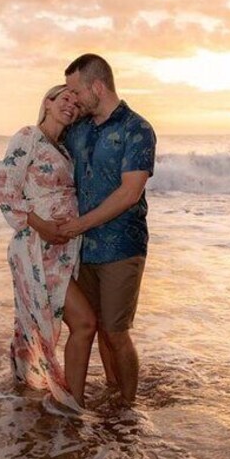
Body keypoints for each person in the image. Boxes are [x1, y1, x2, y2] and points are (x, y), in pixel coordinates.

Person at [59, 54, 156, 405]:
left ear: (97, 87)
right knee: (97, 326)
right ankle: (114, 390)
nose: (73, 99)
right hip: (83, 249)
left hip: (121, 247)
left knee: (116, 332)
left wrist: (78, 225)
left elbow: (130, 193)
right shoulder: (79, 129)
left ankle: (130, 408)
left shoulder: (137, 129)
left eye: (75, 90)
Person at [0, 85, 97, 410]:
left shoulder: (63, 149)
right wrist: (44, 227)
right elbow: (4, 190)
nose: (71, 105)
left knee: (36, 324)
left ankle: (28, 392)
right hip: (36, 247)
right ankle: (71, 404)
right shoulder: (28, 137)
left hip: (61, 249)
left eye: (77, 104)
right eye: (65, 98)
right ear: (48, 103)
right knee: (84, 322)